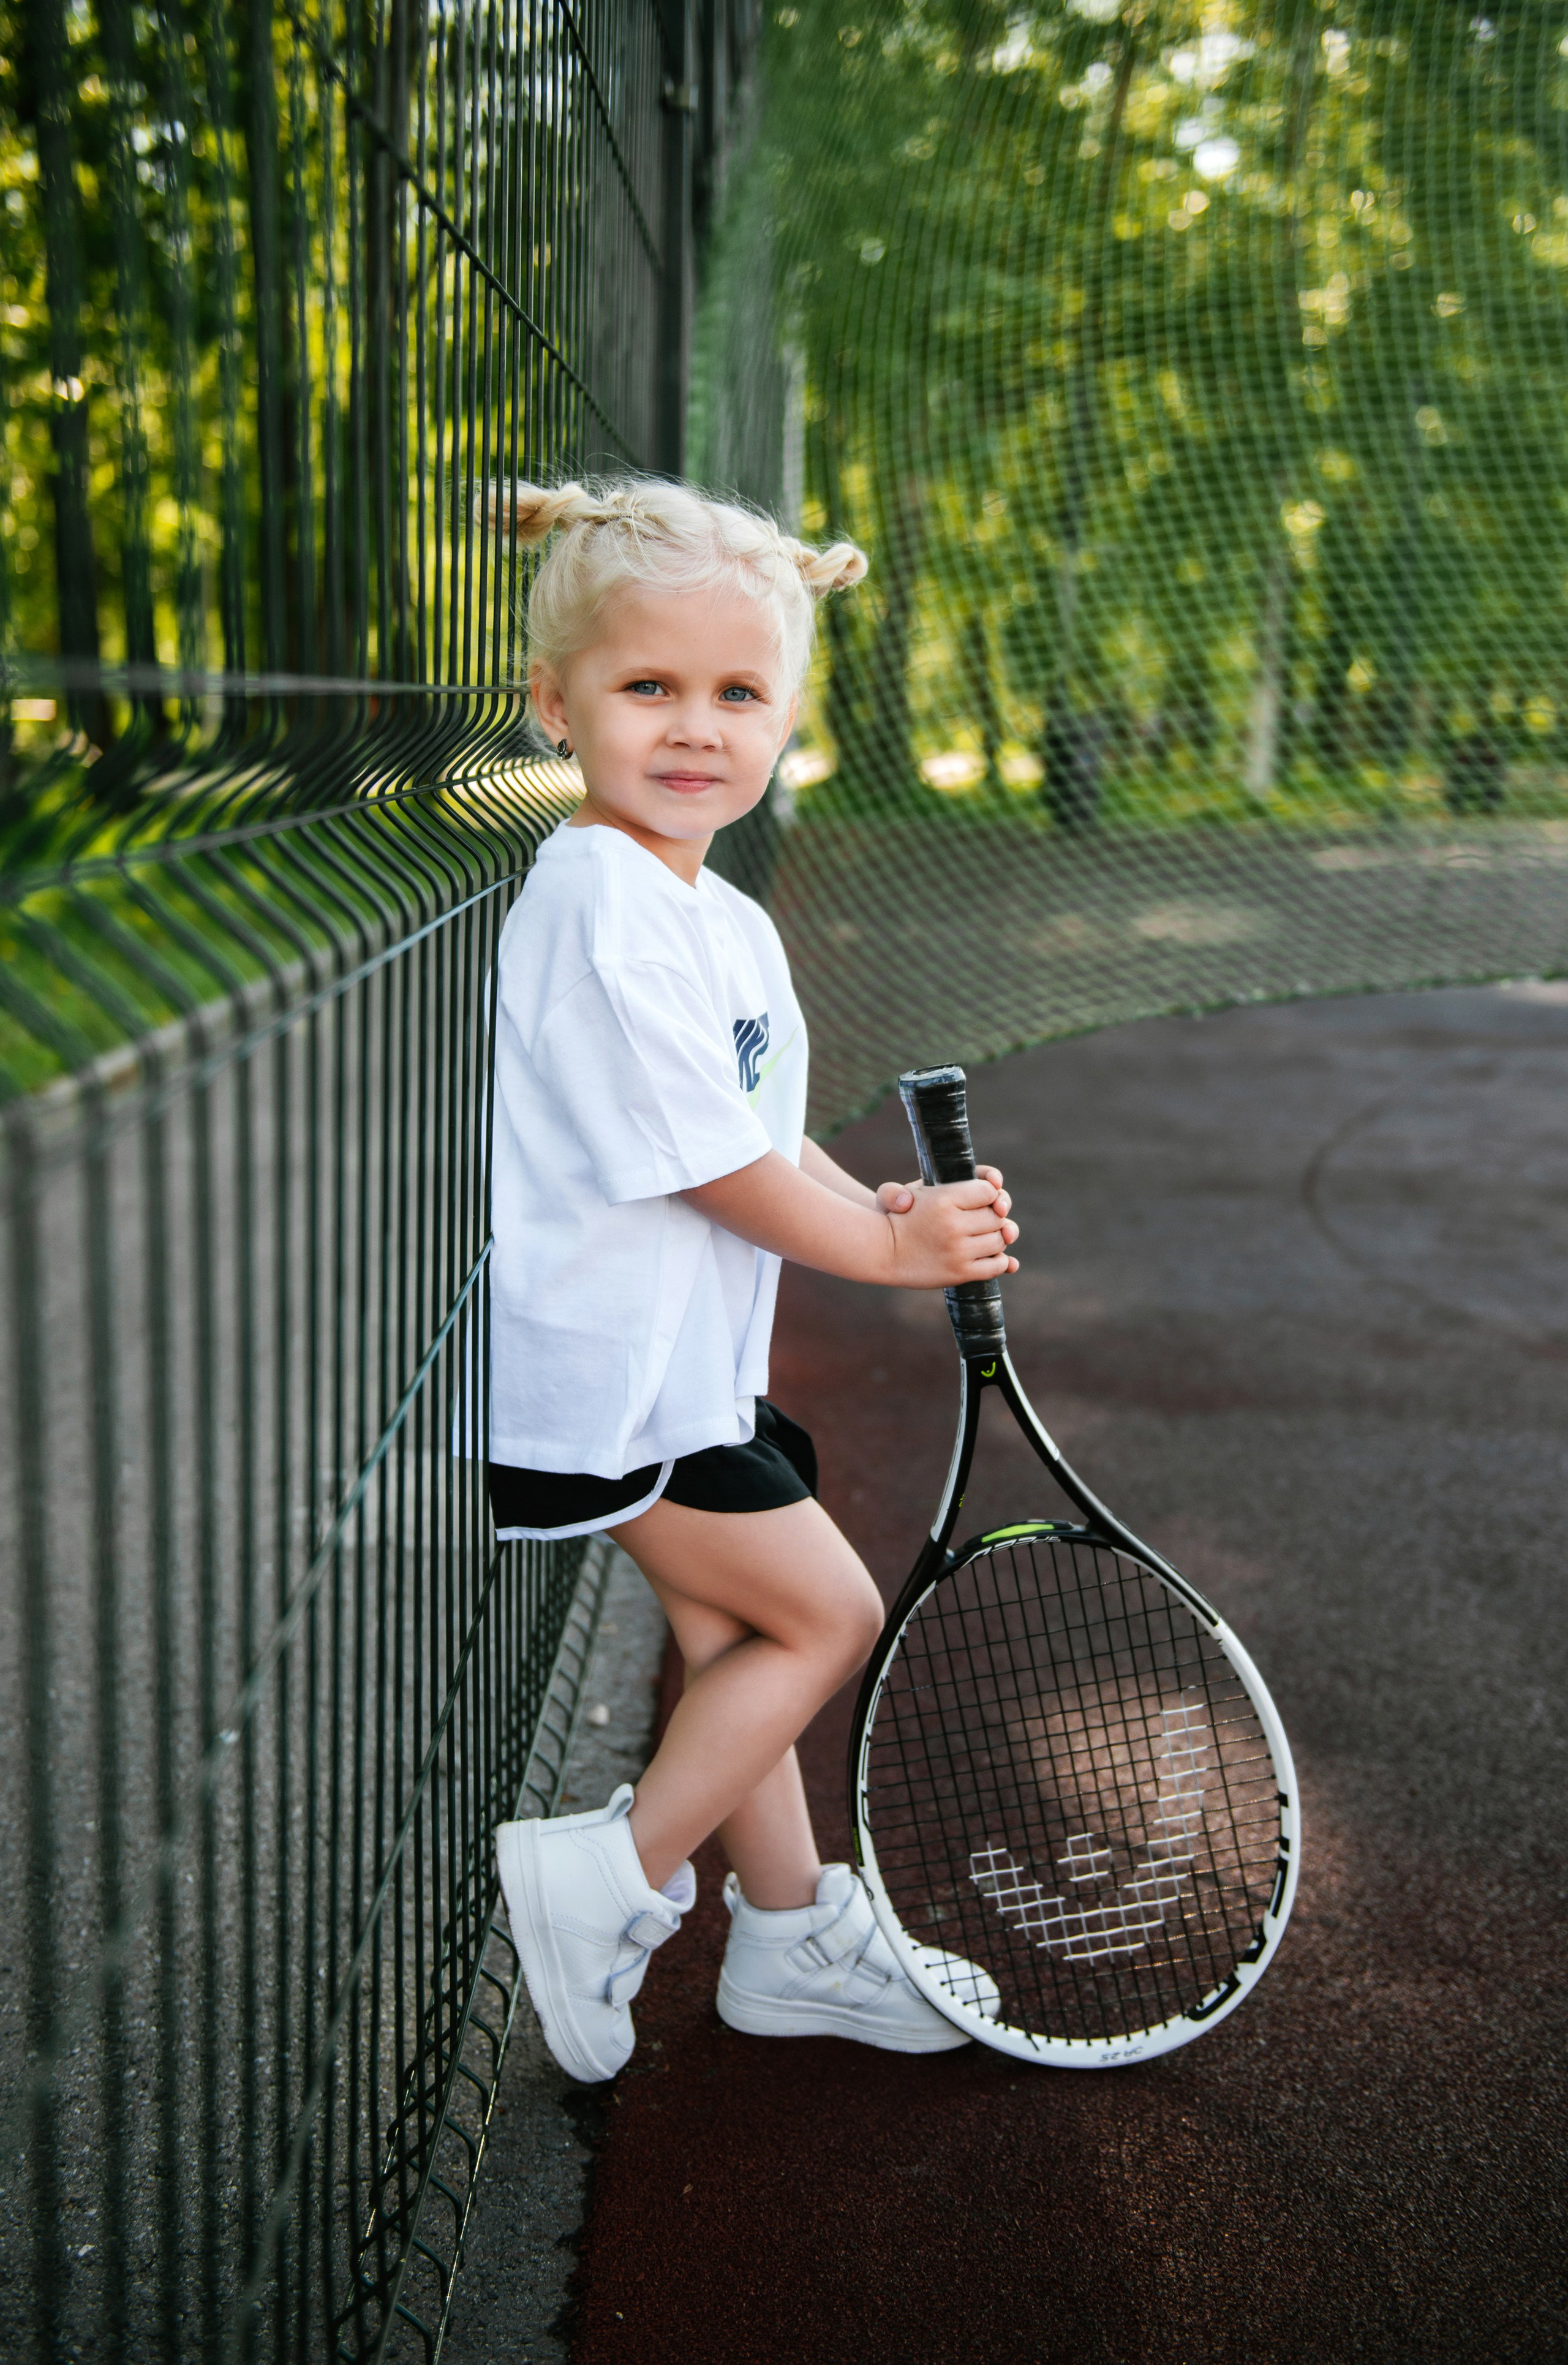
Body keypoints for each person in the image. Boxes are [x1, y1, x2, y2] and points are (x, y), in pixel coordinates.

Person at [483, 476, 1019, 2083]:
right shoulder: (595, 903)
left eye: (738, 694)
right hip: (613, 1382)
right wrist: (880, 1251)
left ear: (787, 713)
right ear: (555, 702)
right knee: (823, 1618)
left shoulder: (709, 909)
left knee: (738, 1643)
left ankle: (787, 1940)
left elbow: (760, 1135)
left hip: (687, 1369)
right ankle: (610, 1873)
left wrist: (887, 1205)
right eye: (648, 688)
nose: (694, 728)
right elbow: (707, 1170)